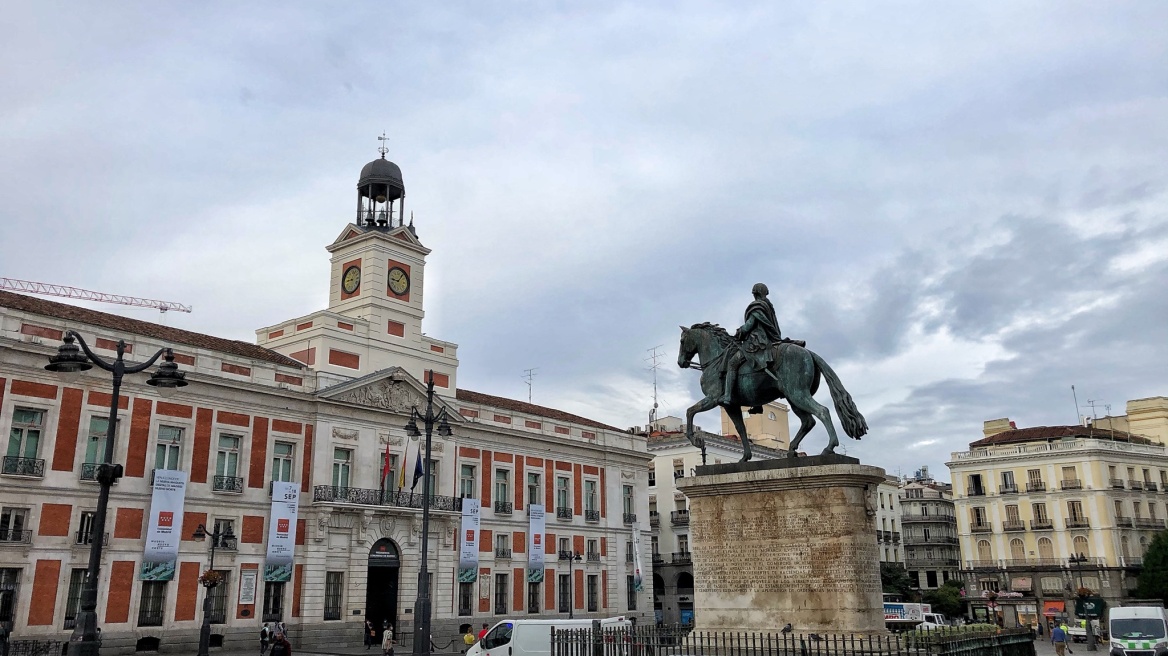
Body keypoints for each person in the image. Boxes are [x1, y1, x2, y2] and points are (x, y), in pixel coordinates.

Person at [720, 283, 786, 408]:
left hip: (756, 341)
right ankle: (757, 404)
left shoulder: (756, 306)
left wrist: (740, 331)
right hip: (769, 340)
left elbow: (749, 325)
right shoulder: (768, 306)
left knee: (732, 363)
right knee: (752, 367)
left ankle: (727, 395)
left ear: (755, 293)